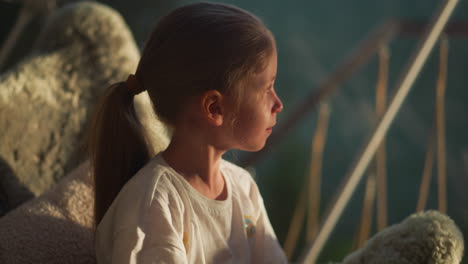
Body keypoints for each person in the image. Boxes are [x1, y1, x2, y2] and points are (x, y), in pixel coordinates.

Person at [87, 2, 286, 263]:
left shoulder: (243, 188)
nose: (278, 104)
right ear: (214, 107)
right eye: (266, 88)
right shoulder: (154, 205)